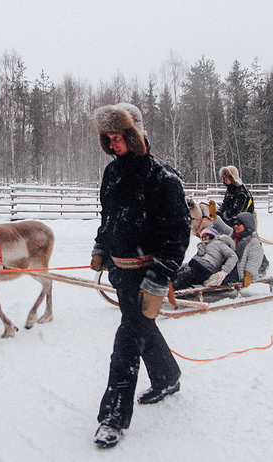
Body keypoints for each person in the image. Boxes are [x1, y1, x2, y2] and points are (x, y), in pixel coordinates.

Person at [90, 103, 190, 449]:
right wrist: (102, 247)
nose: (114, 144)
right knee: (140, 325)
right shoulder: (112, 174)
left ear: (136, 136)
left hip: (147, 273)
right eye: (109, 138)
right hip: (121, 271)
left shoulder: (164, 177)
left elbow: (178, 233)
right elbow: (109, 218)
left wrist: (160, 276)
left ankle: (113, 416)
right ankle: (167, 376)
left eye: (119, 137)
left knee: (127, 341)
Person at [172, 227, 238, 290]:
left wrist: (224, 272)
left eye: (206, 236)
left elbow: (233, 256)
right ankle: (171, 284)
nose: (204, 238)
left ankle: (173, 287)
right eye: (202, 237)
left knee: (187, 272)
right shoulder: (203, 246)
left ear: (212, 235)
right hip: (201, 267)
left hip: (209, 267)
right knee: (182, 270)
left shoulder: (219, 243)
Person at [214, 212, 268, 287]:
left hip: (238, 273)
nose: (235, 226)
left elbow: (254, 260)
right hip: (227, 267)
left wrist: (248, 274)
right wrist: (214, 217)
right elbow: (223, 227)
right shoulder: (233, 235)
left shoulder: (253, 241)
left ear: (246, 225)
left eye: (238, 224)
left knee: (214, 276)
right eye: (234, 224)